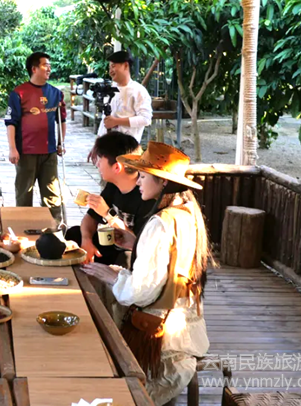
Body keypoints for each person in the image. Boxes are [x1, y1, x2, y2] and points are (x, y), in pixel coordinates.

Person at [82, 142, 211, 406]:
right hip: (185, 322)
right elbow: (172, 263)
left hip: (162, 337)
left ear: (163, 182)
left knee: (94, 290)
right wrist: (135, 243)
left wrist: (113, 276)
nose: (138, 181)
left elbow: (139, 291)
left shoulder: (160, 223)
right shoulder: (188, 213)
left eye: (142, 176)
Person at [67, 132, 156, 266]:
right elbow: (90, 218)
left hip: (133, 255)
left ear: (116, 167)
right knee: (74, 234)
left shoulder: (146, 194)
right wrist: (87, 240)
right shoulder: (113, 185)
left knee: (126, 257)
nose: (97, 165)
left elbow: (138, 243)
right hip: (110, 247)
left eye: (100, 160)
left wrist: (108, 214)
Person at [5, 52, 66, 223]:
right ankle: (24, 227)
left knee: (52, 194)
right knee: (24, 193)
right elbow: (11, 123)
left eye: (50, 65)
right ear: (34, 69)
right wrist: (12, 149)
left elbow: (62, 120)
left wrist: (61, 143)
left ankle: (54, 228)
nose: (49, 68)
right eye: (45, 65)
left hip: (49, 152)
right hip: (26, 152)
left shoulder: (56, 94)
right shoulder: (18, 93)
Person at [95, 50, 153, 143]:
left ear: (126, 65)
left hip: (127, 146)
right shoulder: (110, 88)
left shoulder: (139, 90)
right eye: (109, 68)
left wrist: (116, 121)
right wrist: (97, 142)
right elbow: (105, 119)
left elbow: (145, 119)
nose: (110, 71)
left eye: (113, 66)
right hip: (107, 145)